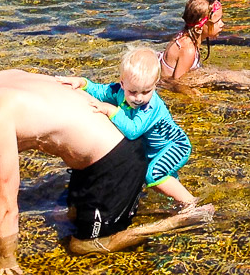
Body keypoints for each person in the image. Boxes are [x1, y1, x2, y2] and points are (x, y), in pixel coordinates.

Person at [0, 71, 208, 266]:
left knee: (84, 246)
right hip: (99, 153)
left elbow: (7, 204)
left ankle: (182, 220)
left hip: (117, 159)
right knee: (66, 216)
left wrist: (5, 258)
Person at [60, 46, 201, 214]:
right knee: (163, 179)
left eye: (146, 91)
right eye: (133, 91)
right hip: (156, 149)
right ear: (122, 83)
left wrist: (111, 111)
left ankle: (192, 205)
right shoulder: (118, 91)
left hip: (176, 145)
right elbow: (100, 91)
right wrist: (82, 83)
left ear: (155, 86)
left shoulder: (151, 107)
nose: (139, 98)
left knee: (153, 175)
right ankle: (172, 204)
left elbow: (133, 130)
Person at [161, 0, 225, 82]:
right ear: (199, 29)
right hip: (165, 83)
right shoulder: (188, 49)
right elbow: (178, 82)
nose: (222, 24)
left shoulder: (186, 36)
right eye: (217, 21)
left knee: (221, 75)